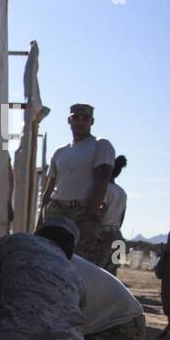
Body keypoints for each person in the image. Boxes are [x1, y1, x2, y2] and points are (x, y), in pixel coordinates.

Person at [38, 103, 114, 265]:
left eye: (85, 118)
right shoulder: (60, 151)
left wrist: (92, 215)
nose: (80, 122)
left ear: (91, 122)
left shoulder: (100, 145)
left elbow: (102, 179)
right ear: (69, 121)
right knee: (49, 256)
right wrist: (39, 218)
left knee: (79, 259)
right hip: (56, 210)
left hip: (81, 211)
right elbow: (49, 186)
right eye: (75, 118)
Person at [98, 154, 128, 273]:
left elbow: (100, 210)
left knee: (98, 271)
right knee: (111, 273)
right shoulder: (122, 193)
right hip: (118, 237)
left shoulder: (104, 189)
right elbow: (122, 217)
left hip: (103, 236)